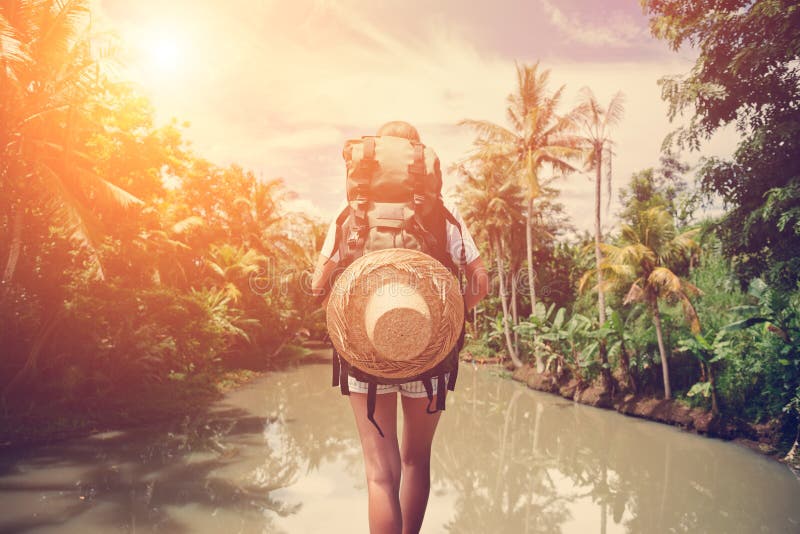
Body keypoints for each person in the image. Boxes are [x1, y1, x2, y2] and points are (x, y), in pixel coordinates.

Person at [311, 121, 489, 534]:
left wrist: (350, 307)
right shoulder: (443, 212)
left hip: (365, 353)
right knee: (416, 461)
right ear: (419, 159)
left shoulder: (350, 213)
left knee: (379, 473)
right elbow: (481, 281)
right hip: (430, 352)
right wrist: (454, 312)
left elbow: (318, 286)